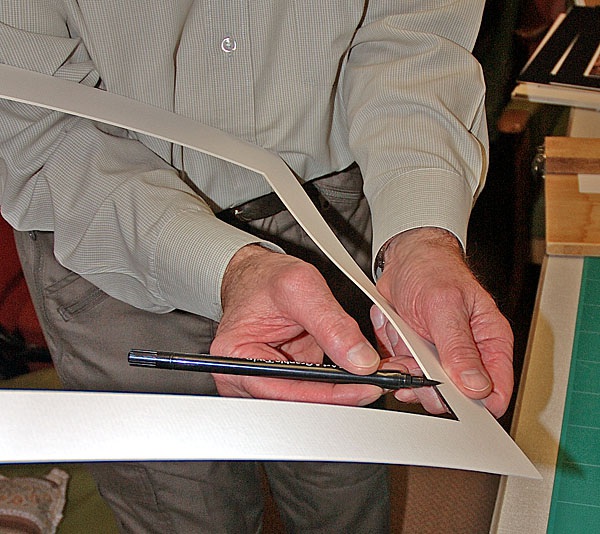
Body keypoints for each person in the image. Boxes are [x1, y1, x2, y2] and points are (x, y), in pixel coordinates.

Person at [0, 1, 514, 532]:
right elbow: (38, 132)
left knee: (341, 484)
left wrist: (421, 236)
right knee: (181, 509)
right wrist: (228, 269)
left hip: (330, 219)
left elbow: (414, 43)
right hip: (104, 242)